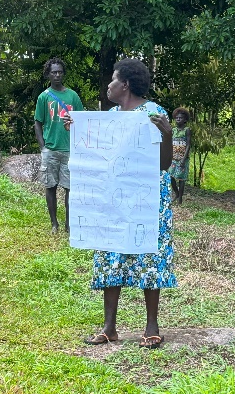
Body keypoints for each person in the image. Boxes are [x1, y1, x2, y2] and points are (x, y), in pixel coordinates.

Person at [68, 58, 175, 349]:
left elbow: (163, 165)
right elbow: (100, 153)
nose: (109, 85)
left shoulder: (153, 113)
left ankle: (151, 326)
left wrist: (167, 135)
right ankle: (109, 327)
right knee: (111, 252)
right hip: (114, 200)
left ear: (125, 84)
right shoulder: (112, 115)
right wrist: (76, 130)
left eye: (112, 80)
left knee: (149, 257)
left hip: (148, 200)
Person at [34, 57, 80, 232]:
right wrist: (42, 146)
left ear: (64, 73)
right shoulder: (43, 97)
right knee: (50, 186)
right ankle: (54, 223)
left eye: (60, 72)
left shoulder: (72, 96)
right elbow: (38, 122)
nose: (57, 75)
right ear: (48, 74)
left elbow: (81, 120)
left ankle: (69, 223)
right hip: (51, 149)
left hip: (69, 149)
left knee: (70, 188)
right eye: (54, 72)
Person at [169, 107, 192, 204]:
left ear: (185, 120)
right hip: (173, 157)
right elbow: (170, 143)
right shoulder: (173, 130)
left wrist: (183, 159)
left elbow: (188, 145)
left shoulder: (187, 130)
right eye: (176, 118)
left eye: (180, 118)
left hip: (183, 158)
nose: (178, 119)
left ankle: (180, 198)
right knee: (171, 176)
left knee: (181, 179)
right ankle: (177, 193)